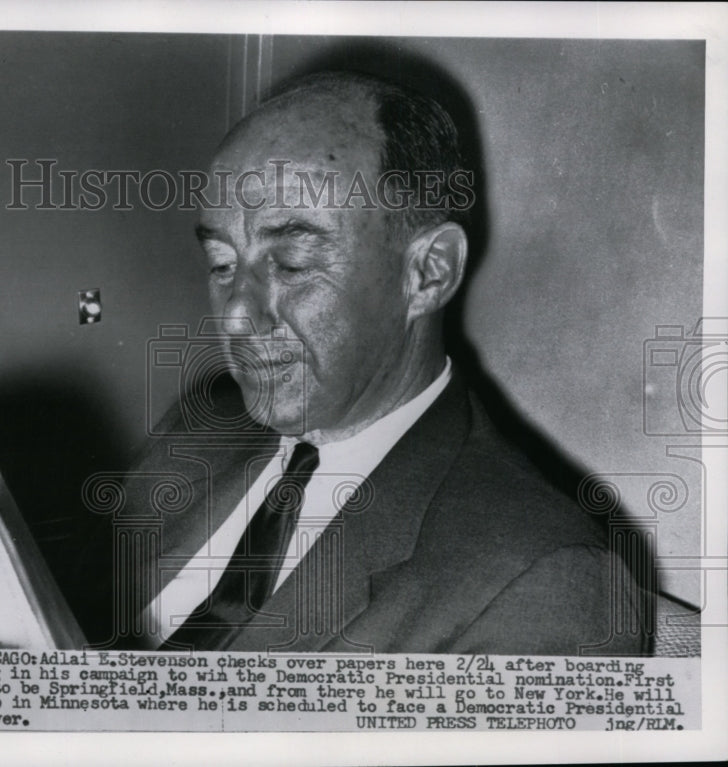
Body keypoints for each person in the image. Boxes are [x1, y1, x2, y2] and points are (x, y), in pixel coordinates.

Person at [92, 71, 650, 655]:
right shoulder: (196, 432)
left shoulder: (547, 580)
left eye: (292, 262)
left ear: (428, 272)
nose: (235, 317)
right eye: (222, 263)